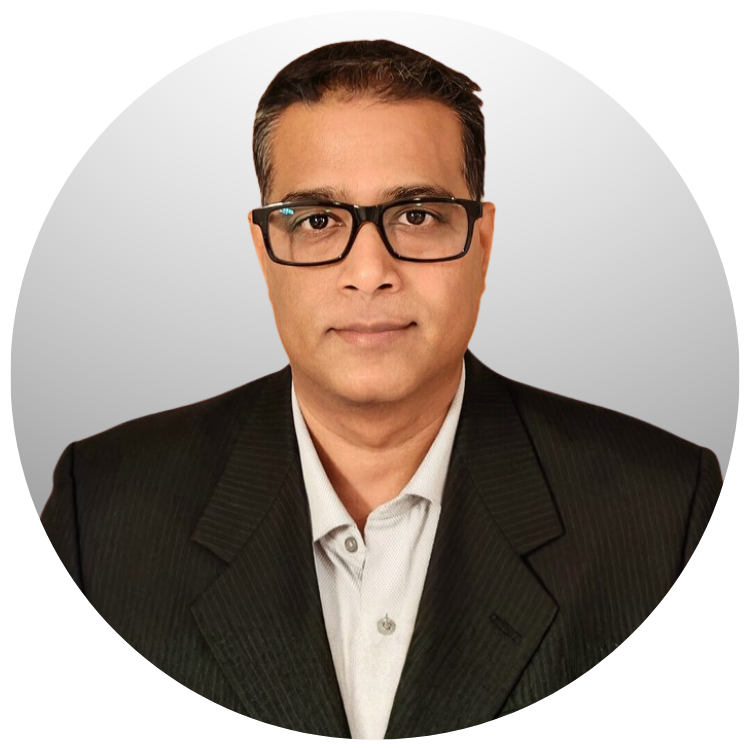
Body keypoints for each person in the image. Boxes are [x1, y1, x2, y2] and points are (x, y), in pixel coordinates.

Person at [41, 40, 721, 739]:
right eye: (316, 220)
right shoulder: (105, 514)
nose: (369, 272)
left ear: (482, 243)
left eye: (417, 215)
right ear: (264, 253)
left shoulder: (662, 516)